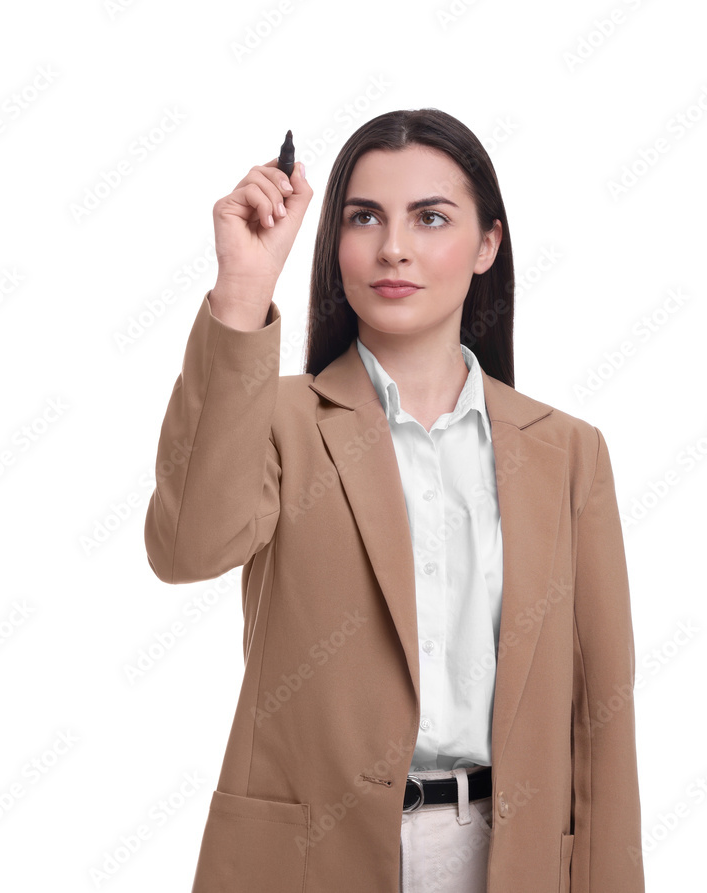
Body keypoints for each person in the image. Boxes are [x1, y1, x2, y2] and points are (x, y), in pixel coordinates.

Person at [144, 108, 645, 893]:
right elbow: (185, 549)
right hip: (312, 861)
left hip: (509, 860)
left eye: (431, 217)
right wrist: (243, 288)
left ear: (488, 245)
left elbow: (601, 718)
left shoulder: (568, 452)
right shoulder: (275, 420)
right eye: (364, 217)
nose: (393, 248)